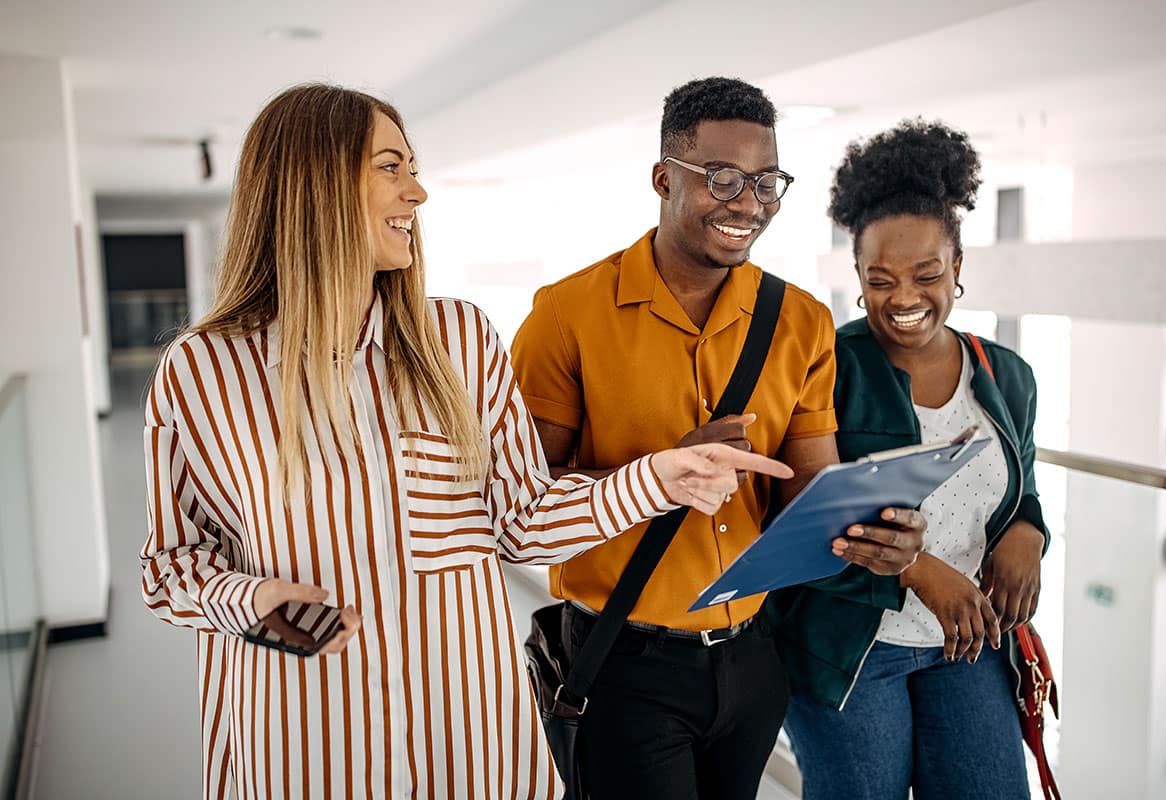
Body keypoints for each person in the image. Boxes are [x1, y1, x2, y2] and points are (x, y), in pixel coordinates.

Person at [139, 83, 793, 800]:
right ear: (313, 183)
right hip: (305, 739)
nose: (417, 193)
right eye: (391, 168)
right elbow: (171, 566)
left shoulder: (462, 340)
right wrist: (250, 597)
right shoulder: (200, 371)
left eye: (412, 168)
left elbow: (519, 521)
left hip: (472, 734)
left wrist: (658, 479)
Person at [509, 76, 926, 800]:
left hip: (753, 659)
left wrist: (875, 534)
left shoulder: (800, 322)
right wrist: (660, 471)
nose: (749, 204)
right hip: (623, 659)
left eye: (767, 182)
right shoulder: (566, 315)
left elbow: (808, 501)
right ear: (664, 178)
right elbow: (527, 511)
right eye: (724, 178)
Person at [767, 119, 1049, 799]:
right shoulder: (825, 366)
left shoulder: (1007, 375)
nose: (904, 299)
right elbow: (801, 526)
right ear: (858, 278)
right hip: (850, 650)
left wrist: (1029, 535)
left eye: (926, 274)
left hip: (966, 638)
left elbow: (1021, 493)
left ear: (958, 266)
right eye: (879, 279)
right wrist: (921, 572)